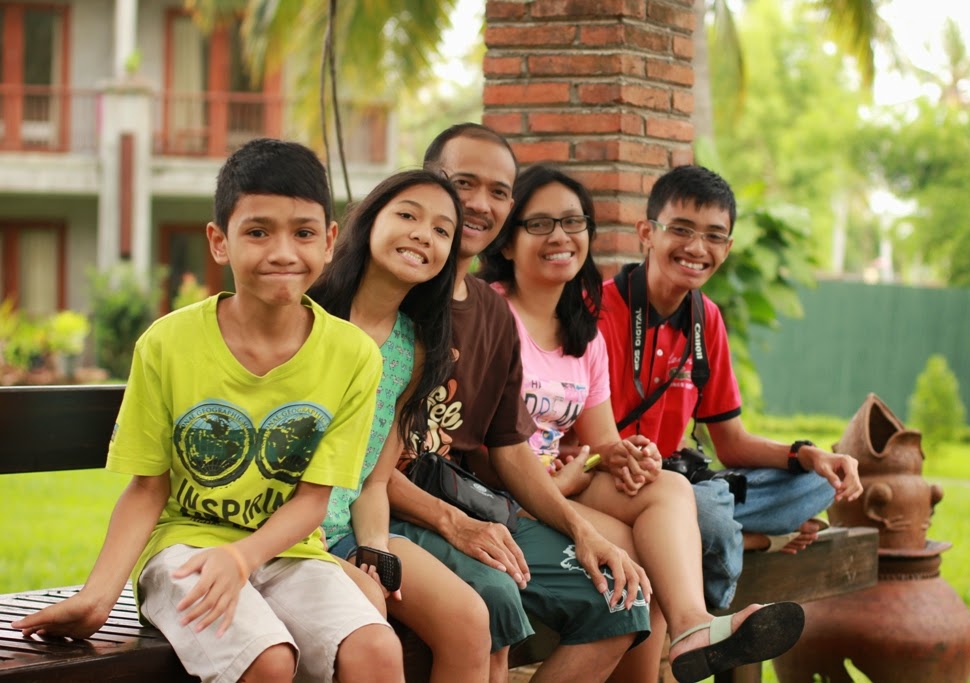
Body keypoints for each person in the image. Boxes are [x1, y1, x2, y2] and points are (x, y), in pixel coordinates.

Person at [12, 138, 404, 683]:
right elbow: (147, 489)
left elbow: (314, 501)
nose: (283, 252)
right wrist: (98, 597)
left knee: (377, 652)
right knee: (268, 661)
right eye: (258, 232)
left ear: (330, 241)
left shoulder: (353, 355)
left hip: (288, 552)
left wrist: (243, 557)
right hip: (184, 550)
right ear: (220, 242)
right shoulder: (167, 344)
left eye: (303, 233)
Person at [478, 163, 806, 683]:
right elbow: (483, 448)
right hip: (505, 493)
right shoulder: (490, 314)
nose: (560, 236)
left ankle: (692, 624)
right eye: (540, 224)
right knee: (650, 548)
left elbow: (602, 443)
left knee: (671, 487)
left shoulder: (581, 329)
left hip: (564, 480)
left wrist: (628, 455)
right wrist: (576, 473)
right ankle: (711, 596)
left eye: (573, 222)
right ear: (507, 241)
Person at [386, 123, 652, 683]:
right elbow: (356, 463)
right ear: (428, 183)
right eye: (464, 183)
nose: (480, 204)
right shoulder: (390, 292)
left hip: (466, 501)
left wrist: (582, 530)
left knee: (619, 599)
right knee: (495, 605)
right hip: (387, 510)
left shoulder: (492, 312)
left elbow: (509, 449)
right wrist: (455, 524)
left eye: (499, 192)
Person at [597, 164, 864, 614]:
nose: (696, 248)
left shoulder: (707, 319)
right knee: (706, 513)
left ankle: (723, 527)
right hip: (612, 481)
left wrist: (810, 455)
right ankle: (751, 546)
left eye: (714, 236)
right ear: (647, 233)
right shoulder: (600, 309)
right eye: (681, 229)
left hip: (679, 482)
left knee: (818, 484)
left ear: (728, 247)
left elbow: (731, 443)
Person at [308, 169, 492, 680]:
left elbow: (373, 481)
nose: (422, 235)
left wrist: (376, 549)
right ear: (370, 222)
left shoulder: (414, 349)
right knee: (369, 612)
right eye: (408, 215)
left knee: (470, 619)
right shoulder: (308, 314)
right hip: (280, 531)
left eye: (441, 230)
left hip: (345, 530)